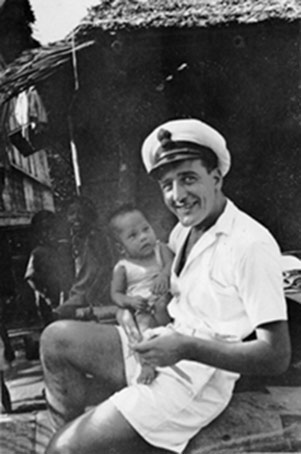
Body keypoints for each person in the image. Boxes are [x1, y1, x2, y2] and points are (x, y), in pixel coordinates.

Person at [40, 119, 291, 454]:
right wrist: (130, 315)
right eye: (167, 184)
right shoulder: (183, 232)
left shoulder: (249, 244)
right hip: (161, 343)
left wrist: (185, 347)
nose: (177, 195)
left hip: (197, 380)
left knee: (62, 449)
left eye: (188, 178)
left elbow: (276, 356)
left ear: (216, 177)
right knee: (55, 339)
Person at [109, 204, 173, 384]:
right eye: (133, 235)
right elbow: (115, 294)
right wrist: (130, 301)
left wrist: (164, 274)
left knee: (163, 304)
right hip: (141, 310)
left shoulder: (161, 250)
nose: (143, 237)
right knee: (132, 323)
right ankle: (146, 363)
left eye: (146, 229)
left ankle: (169, 343)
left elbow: (172, 264)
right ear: (121, 247)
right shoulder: (122, 267)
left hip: (163, 302)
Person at [54, 196, 114, 321]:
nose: (76, 217)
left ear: (90, 216)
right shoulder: (75, 239)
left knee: (62, 314)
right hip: (80, 292)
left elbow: (105, 267)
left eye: (82, 213)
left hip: (91, 291)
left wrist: (92, 293)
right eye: (71, 213)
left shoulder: (95, 237)